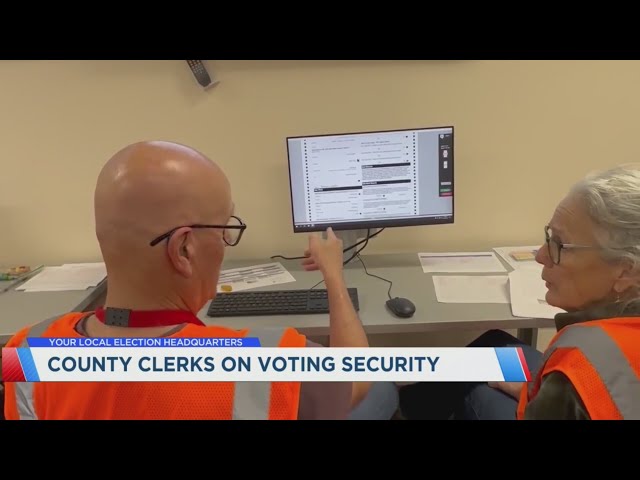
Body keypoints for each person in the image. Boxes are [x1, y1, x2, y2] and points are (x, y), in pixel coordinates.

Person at [3, 140, 399, 420]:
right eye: (225, 229)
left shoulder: (23, 352)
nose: (227, 243)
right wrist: (333, 274)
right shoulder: (271, 361)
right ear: (185, 250)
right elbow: (357, 375)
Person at [399, 164, 640, 420]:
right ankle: (407, 408)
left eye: (560, 244)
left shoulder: (578, 368)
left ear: (625, 270)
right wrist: (540, 392)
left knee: (478, 387)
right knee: (494, 345)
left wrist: (549, 397)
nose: (542, 256)